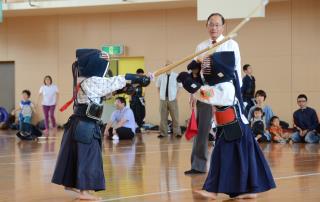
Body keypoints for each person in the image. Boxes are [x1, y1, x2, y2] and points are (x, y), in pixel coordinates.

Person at [178, 50, 276, 199]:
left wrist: (187, 81)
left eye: (209, 66)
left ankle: (212, 190)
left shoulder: (225, 87)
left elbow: (204, 94)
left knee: (219, 156)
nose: (207, 69)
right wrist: (194, 69)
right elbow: (201, 83)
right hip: (230, 127)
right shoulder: (221, 83)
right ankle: (249, 190)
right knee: (241, 159)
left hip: (235, 127)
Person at [51, 49, 128, 200]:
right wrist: (140, 77)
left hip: (79, 124)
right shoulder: (93, 81)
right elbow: (115, 82)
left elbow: (105, 93)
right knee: (88, 157)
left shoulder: (85, 81)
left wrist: (127, 89)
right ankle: (84, 193)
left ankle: (72, 183)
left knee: (79, 156)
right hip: (85, 126)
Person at [184, 13, 242, 175]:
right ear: (206, 26)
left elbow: (237, 71)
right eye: (211, 24)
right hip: (205, 92)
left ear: (223, 27)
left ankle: (230, 166)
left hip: (224, 94)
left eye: (217, 25)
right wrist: (193, 94)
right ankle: (198, 165)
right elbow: (195, 72)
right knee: (202, 129)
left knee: (227, 129)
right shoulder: (201, 46)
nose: (214, 28)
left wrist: (237, 95)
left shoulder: (231, 44)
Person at [156, 70, 182, 138]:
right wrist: (160, 96)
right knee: (163, 117)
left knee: (175, 117)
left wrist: (176, 97)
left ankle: (177, 133)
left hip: (173, 99)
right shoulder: (160, 76)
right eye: (166, 65)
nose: (168, 67)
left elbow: (180, 86)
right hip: (163, 99)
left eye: (169, 65)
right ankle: (163, 133)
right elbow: (158, 87)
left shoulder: (176, 76)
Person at [130, 68, 146, 133]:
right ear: (137, 74)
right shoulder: (133, 80)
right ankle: (136, 127)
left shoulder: (143, 81)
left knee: (142, 113)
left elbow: (144, 91)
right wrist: (130, 99)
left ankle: (140, 126)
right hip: (134, 100)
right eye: (140, 75)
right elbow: (130, 89)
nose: (141, 76)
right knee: (134, 114)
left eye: (142, 75)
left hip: (141, 99)